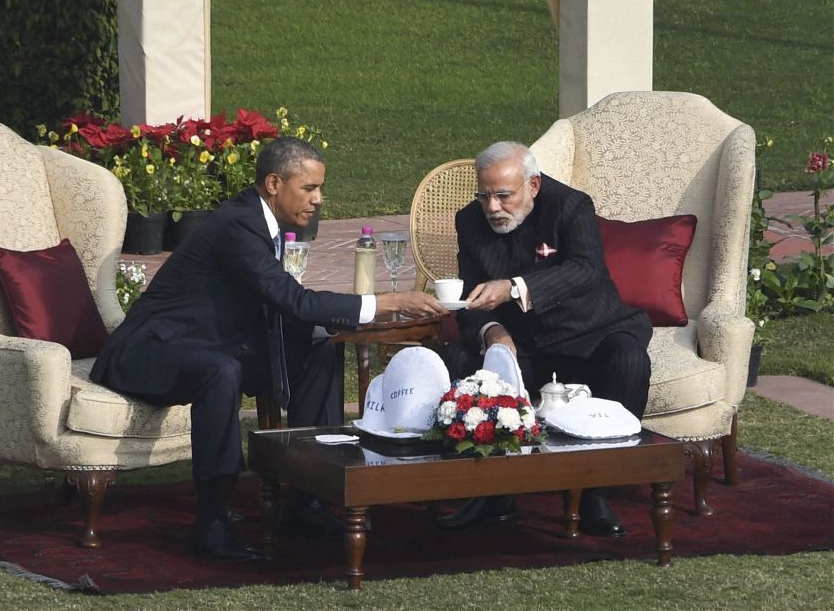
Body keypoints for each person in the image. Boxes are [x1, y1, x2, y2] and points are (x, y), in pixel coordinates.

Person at [91, 137, 446, 561]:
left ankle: (307, 499)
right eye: (309, 188)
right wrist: (387, 302)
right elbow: (293, 300)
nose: (319, 199)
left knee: (316, 348)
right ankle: (212, 523)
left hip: (209, 344)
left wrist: (339, 320)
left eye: (319, 188)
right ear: (274, 183)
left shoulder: (263, 222)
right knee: (219, 371)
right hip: (146, 352)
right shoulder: (238, 225)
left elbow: (289, 308)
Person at [439, 141, 652, 536]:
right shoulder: (469, 221)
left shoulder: (571, 206)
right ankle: (490, 491)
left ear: (533, 185)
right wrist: (493, 332)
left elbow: (586, 269)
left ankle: (595, 494)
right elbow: (469, 298)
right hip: (522, 345)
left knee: (628, 358)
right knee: (460, 358)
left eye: (504, 196)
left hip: (589, 334)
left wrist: (515, 288)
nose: (492, 208)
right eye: (484, 196)